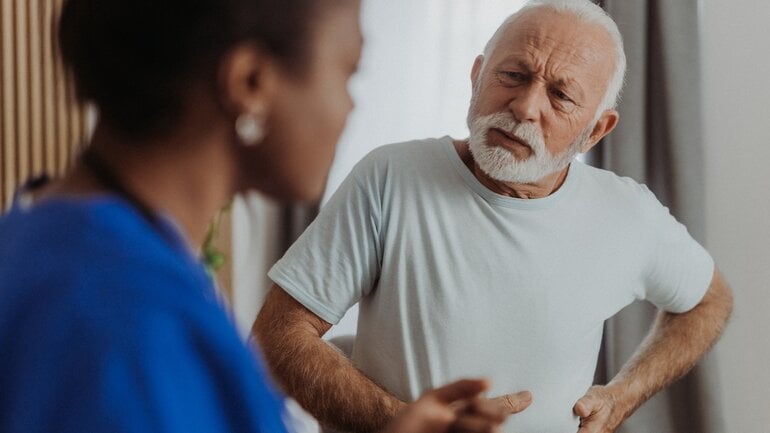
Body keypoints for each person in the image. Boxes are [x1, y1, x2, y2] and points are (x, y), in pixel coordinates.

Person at [0, 0, 532, 432]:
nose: (350, 107)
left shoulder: (63, 240)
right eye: (349, 71)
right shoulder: (124, 322)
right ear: (251, 81)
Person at [253, 0, 734, 432]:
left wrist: (622, 395)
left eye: (560, 97)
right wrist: (404, 424)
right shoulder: (392, 174)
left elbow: (709, 303)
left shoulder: (629, 214)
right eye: (513, 75)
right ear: (477, 75)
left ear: (596, 131)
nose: (524, 108)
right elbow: (277, 336)